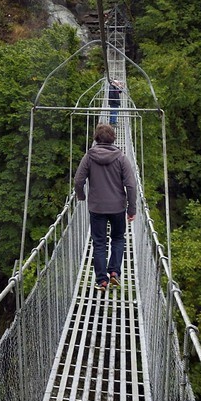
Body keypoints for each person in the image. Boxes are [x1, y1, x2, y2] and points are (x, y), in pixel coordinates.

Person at [73, 123, 137, 291]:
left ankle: (102, 280)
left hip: (97, 208)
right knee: (117, 238)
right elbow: (131, 185)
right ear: (113, 138)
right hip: (118, 207)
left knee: (99, 243)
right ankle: (114, 272)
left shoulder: (89, 157)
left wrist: (81, 196)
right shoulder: (121, 158)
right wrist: (132, 210)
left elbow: (78, 181)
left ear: (96, 138)